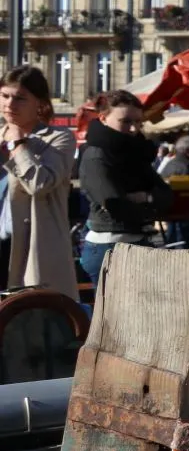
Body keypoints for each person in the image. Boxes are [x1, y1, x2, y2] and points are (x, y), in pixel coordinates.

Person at [78, 90, 172, 283]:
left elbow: (167, 195)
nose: (133, 129)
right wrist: (150, 201)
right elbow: (116, 205)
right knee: (111, 312)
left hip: (138, 241)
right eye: (126, 121)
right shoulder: (96, 154)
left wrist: (145, 197)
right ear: (103, 118)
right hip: (109, 245)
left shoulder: (136, 151)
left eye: (138, 122)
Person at [0, 68, 74, 298]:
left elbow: (40, 184)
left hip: (30, 246)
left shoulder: (58, 138)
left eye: (20, 98)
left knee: (29, 322)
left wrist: (18, 143)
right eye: (4, 96)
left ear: (39, 104)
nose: (10, 104)